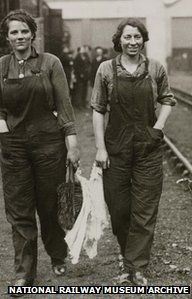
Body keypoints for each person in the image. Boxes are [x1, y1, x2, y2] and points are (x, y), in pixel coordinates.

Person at [0, 9, 79, 289]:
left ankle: (57, 254)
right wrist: (5, 131)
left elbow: (64, 107)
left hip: (49, 145)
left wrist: (72, 144)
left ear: (33, 34)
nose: (19, 36)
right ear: (7, 36)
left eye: (24, 31)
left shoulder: (50, 63)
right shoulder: (1, 66)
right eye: (14, 32)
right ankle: (24, 273)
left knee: (49, 205)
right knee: (19, 210)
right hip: (14, 146)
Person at [91, 18, 176, 285]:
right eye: (127, 37)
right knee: (118, 208)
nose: (132, 42)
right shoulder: (106, 69)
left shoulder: (155, 68)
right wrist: (100, 148)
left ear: (143, 39)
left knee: (145, 208)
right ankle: (129, 257)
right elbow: (98, 110)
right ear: (119, 40)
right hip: (115, 148)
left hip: (148, 147)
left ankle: (137, 267)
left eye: (137, 37)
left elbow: (167, 100)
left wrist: (158, 128)